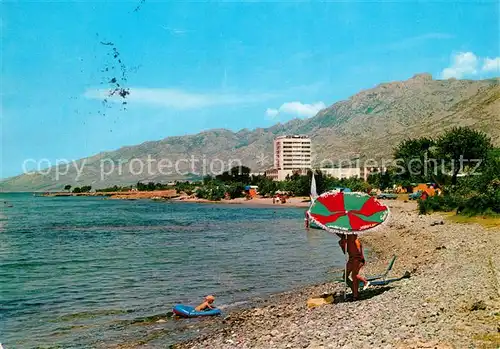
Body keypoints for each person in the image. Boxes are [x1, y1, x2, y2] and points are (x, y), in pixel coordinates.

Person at [337, 234, 370, 300]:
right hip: (351, 259)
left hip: (358, 259)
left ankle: (358, 291)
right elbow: (345, 252)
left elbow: (359, 252)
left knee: (354, 275)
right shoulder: (344, 239)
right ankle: (353, 289)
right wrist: (342, 245)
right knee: (344, 276)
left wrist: (347, 243)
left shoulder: (354, 239)